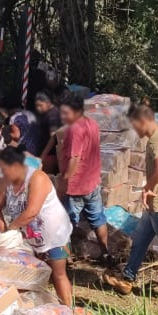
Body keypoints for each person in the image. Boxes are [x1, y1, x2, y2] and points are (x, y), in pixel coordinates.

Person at [104, 104, 158, 295]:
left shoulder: (155, 141)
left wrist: (147, 187)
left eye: (135, 126)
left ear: (142, 121)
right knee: (140, 240)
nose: (135, 131)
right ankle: (128, 278)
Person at [0, 146, 75, 306]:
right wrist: (4, 233)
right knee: (31, 273)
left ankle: (69, 314)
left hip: (54, 232)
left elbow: (32, 211)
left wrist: (11, 230)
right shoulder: (6, 181)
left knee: (58, 275)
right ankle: (36, 308)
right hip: (30, 235)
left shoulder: (37, 178)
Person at [57, 93, 112, 264]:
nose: (62, 116)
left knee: (64, 223)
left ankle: (63, 260)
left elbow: (74, 158)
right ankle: (106, 253)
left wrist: (64, 181)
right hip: (93, 182)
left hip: (76, 186)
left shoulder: (75, 129)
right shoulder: (92, 124)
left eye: (65, 113)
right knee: (98, 219)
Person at [35, 91, 63, 172]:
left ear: (48, 103)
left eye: (40, 105)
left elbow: (53, 137)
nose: (38, 108)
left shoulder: (52, 116)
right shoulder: (54, 112)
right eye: (36, 105)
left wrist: (42, 157)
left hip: (49, 155)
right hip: (50, 155)